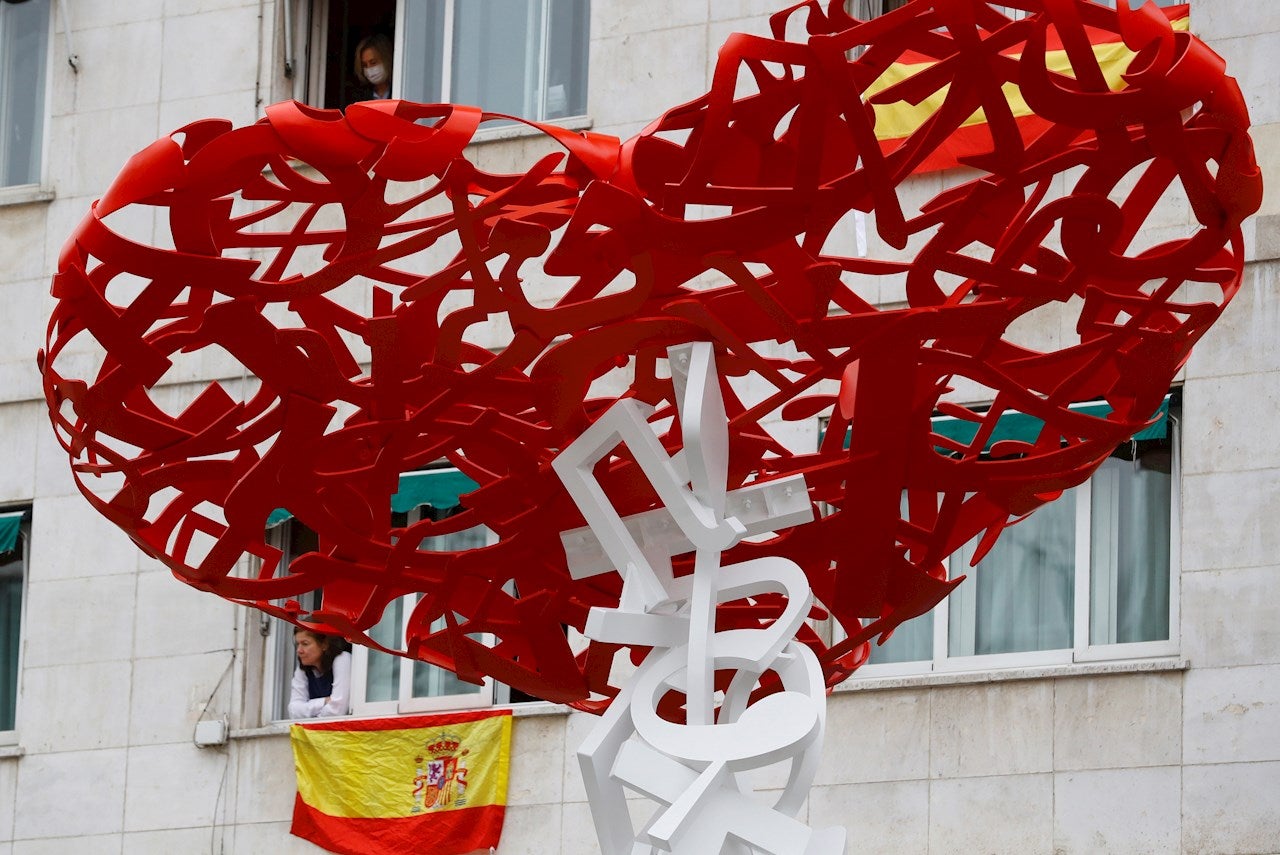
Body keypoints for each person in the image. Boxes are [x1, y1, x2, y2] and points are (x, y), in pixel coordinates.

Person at [288, 627, 352, 718]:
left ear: (324, 644)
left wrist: (310, 717)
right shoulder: (303, 669)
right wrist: (324, 702)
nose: (299, 650)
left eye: (305, 644)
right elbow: (293, 711)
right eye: (297, 644)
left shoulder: (342, 659)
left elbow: (337, 710)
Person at [352, 34, 393, 101]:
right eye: (365, 65)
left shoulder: (399, 90)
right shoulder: (360, 97)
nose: (369, 69)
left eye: (373, 62)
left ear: (386, 60)